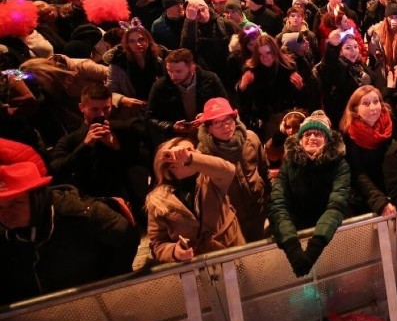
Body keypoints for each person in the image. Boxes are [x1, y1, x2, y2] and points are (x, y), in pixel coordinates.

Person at [0, 162, 140, 305]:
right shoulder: (4, 233)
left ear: (38, 197)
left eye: (15, 203)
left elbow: (128, 236)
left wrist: (112, 282)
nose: (5, 214)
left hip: (102, 301)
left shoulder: (80, 213)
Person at [49, 83, 151, 223]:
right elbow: (56, 169)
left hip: (128, 196)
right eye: (94, 109)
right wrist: (85, 145)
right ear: (81, 108)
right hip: (92, 202)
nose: (101, 114)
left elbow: (143, 160)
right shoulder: (71, 140)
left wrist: (116, 146)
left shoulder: (123, 129)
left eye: (106, 108)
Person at [269, 111, 350, 277]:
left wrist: (314, 248)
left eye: (318, 134)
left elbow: (336, 205)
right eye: (307, 134)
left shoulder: (340, 166)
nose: (312, 137)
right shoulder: (289, 164)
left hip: (328, 236)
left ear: (327, 140)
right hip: (296, 232)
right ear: (299, 140)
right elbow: (278, 203)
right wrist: (292, 248)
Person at [145, 137, 245, 263]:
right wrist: (174, 252)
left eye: (192, 150)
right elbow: (157, 244)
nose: (192, 154)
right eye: (185, 153)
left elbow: (228, 170)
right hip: (195, 262)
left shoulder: (211, 178)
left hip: (230, 248)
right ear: (170, 166)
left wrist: (190, 159)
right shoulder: (157, 200)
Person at [195, 97, 270, 242]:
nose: (225, 126)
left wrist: (270, 204)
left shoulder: (251, 139)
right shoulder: (203, 155)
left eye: (228, 119)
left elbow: (264, 170)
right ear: (208, 128)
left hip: (258, 211)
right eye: (218, 122)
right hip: (230, 220)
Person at [146, 48, 228, 143]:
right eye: (169, 71)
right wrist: (171, 127)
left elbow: (225, 105)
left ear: (192, 68)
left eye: (178, 71)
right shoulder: (161, 86)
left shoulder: (210, 79)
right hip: (178, 137)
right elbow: (149, 118)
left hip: (209, 132)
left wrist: (207, 116)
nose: (173, 76)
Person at [339, 86, 396, 217]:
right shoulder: (349, 134)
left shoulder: (390, 122)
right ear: (355, 109)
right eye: (366, 103)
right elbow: (358, 174)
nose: (373, 108)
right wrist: (379, 201)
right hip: (366, 197)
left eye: (376, 102)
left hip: (391, 189)